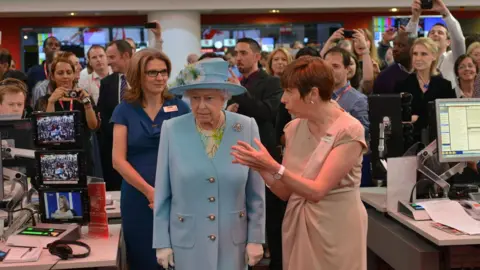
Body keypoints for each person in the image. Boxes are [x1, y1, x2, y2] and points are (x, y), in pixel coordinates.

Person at [231, 56, 368, 270]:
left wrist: (273, 166)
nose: (283, 100)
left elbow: (316, 191)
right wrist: (258, 166)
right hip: (298, 225)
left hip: (338, 227)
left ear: (312, 94)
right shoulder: (293, 129)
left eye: (289, 92)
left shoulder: (349, 130)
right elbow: (286, 191)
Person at [153, 58, 265, 270]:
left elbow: (256, 192)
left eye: (209, 98)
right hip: (186, 241)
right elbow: (162, 193)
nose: (200, 106)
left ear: (224, 97)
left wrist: (256, 238)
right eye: (195, 98)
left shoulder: (246, 127)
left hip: (233, 242)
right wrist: (161, 242)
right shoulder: (172, 129)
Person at [111, 48, 190, 270]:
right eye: (152, 73)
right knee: (143, 258)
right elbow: (118, 160)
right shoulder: (124, 110)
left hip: (177, 195)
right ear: (138, 75)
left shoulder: (180, 107)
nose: (160, 78)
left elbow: (189, 153)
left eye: (164, 72)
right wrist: (149, 191)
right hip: (138, 196)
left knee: (178, 259)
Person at [394, 38, 455, 143]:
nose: (418, 58)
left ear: (434, 56)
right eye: (415, 54)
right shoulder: (401, 85)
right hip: (409, 143)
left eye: (423, 54)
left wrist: (418, 119)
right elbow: (396, 117)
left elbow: (449, 117)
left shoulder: (445, 85)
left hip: (438, 142)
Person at [98, 40, 133, 191]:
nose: (108, 62)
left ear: (125, 55)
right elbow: (103, 114)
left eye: (112, 57)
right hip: (114, 148)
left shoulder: (144, 81)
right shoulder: (107, 82)